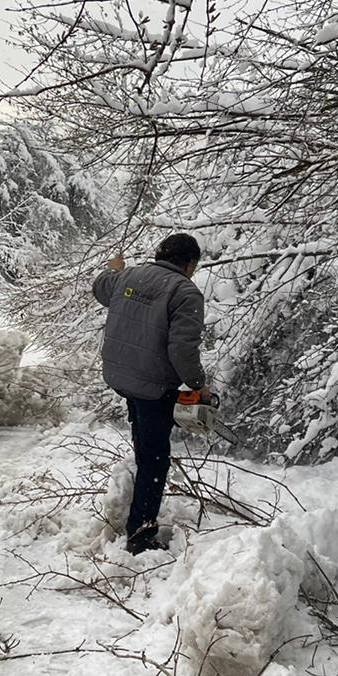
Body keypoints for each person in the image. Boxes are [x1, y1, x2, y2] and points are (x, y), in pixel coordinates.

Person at [91, 233, 208, 553]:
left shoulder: (127, 276)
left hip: (121, 375)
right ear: (190, 264)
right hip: (153, 385)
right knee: (155, 460)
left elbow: (100, 287)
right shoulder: (185, 292)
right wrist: (198, 384)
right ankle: (141, 535)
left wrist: (113, 268)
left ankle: (138, 511)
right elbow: (182, 351)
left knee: (146, 445)